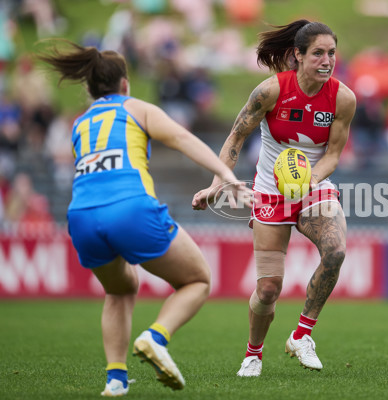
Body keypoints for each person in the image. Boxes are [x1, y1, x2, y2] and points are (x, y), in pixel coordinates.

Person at [36, 39, 251, 396]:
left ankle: (116, 380)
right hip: (130, 206)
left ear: (89, 89)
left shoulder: (80, 124)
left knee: (119, 289)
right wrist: (228, 178)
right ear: (125, 84)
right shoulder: (136, 108)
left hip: (81, 216)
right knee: (197, 280)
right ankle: (155, 338)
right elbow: (182, 138)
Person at [192, 20, 356, 377]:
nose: (326, 60)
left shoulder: (343, 98)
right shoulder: (270, 91)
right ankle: (253, 354)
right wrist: (217, 184)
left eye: (331, 53)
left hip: (314, 187)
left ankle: (301, 335)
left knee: (337, 251)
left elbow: (333, 154)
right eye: (317, 53)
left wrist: (310, 179)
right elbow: (236, 138)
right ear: (297, 55)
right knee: (268, 289)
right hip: (269, 191)